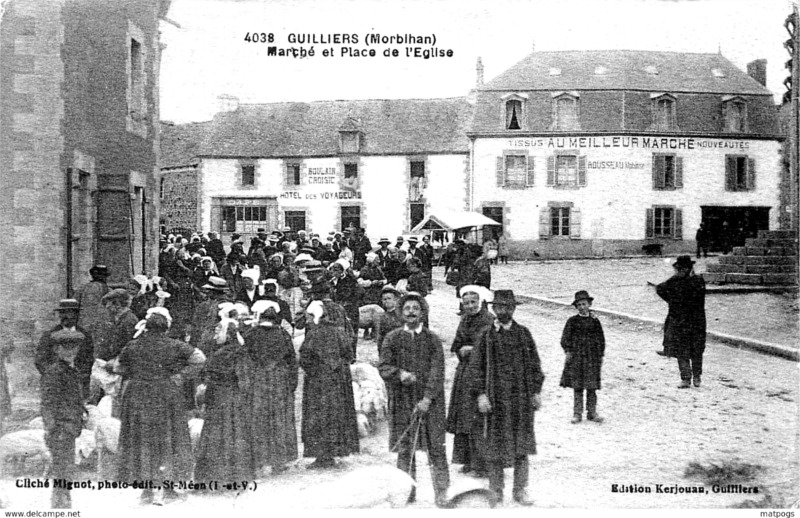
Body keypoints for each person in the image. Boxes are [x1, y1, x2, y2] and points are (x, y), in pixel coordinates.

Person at [116, 309, 205, 505]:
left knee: (143, 441)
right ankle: (168, 489)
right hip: (166, 396)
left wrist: (136, 372)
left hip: (139, 397)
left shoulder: (133, 345)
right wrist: (180, 376)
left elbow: (118, 367)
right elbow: (199, 359)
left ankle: (146, 491)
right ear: (166, 328)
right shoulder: (175, 345)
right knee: (168, 439)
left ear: (146, 327)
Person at [467, 290, 544, 506]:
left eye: (508, 307)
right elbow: (475, 368)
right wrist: (481, 394)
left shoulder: (523, 334)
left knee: (522, 445)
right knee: (495, 446)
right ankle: (496, 491)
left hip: (520, 399)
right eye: (499, 307)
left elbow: (535, 365)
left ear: (514, 308)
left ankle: (520, 490)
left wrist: (536, 391)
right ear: (493, 309)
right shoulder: (486, 335)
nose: (503, 310)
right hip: (495, 400)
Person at [379, 293, 450, 507]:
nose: (411, 312)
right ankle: (406, 493)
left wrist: (427, 399)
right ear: (401, 313)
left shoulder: (432, 339)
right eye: (407, 308)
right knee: (405, 449)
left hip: (431, 403)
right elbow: (383, 366)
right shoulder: (392, 338)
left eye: (415, 308)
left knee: (436, 448)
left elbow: (438, 371)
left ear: (422, 313)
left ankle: (442, 492)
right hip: (402, 400)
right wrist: (399, 374)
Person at [298, 298, 360, 469]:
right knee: (336, 415)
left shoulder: (314, 333)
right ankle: (335, 452)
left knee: (318, 416)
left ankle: (321, 456)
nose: (308, 321)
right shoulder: (339, 331)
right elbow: (349, 353)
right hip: (339, 382)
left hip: (318, 383)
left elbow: (304, 358)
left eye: (309, 317)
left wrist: (314, 371)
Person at [243, 300, 299, 474]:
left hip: (258, 379)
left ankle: (259, 461)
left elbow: (246, 358)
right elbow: (292, 361)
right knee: (279, 419)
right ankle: (279, 461)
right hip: (279, 379)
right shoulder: (283, 335)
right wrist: (292, 384)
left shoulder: (251, 334)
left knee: (258, 419)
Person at [447, 286, 494, 477]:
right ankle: (466, 460)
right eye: (466, 303)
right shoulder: (465, 319)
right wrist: (461, 350)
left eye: (473, 302)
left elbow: (490, 347)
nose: (470, 306)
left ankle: (481, 464)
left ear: (480, 302)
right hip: (465, 373)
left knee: (477, 418)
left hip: (483, 372)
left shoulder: (488, 320)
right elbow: (457, 344)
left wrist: (472, 350)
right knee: (464, 416)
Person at [40, 329, 86, 508]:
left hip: (71, 425)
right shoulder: (54, 372)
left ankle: (64, 500)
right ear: (57, 350)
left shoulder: (72, 371)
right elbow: (48, 402)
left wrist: (82, 411)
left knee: (66, 467)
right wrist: (51, 428)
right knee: (61, 467)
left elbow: (75, 397)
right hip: (60, 427)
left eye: (73, 348)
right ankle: (60, 504)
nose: (70, 352)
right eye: (65, 348)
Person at [656, 255, 707, 388]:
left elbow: (697, 298)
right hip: (683, 321)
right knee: (682, 350)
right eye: (678, 269)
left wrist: (673, 302)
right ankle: (686, 378)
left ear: (687, 269)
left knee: (696, 350)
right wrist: (672, 302)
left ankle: (696, 377)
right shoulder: (677, 281)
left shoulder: (696, 281)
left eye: (680, 269)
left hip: (694, 321)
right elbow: (660, 289)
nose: (678, 271)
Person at [559, 290, 606, 424]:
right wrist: (568, 350)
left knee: (592, 387)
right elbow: (565, 338)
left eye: (584, 304)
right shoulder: (572, 321)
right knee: (578, 386)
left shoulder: (595, 321)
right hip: (577, 358)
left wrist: (600, 355)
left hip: (592, 358)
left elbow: (601, 339)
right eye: (579, 305)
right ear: (576, 307)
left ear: (589, 304)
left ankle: (592, 412)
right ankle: (577, 413)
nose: (582, 307)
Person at [36, 299, 94, 399]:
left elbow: (88, 360)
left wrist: (80, 375)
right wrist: (52, 375)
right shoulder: (49, 335)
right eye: (63, 313)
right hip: (55, 385)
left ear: (77, 315)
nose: (67, 316)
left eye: (70, 312)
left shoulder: (85, 335)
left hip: (78, 384)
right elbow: (40, 360)